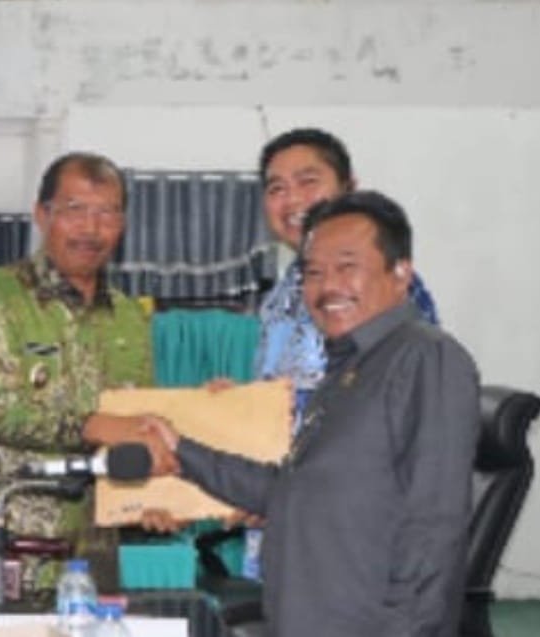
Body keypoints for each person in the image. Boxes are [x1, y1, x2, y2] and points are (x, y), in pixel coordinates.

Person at [146, 191, 480, 636]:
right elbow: (287, 490)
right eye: (314, 272)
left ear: (401, 273)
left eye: (347, 267)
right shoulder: (345, 369)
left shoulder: (424, 358)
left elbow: (434, 528)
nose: (328, 287)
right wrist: (181, 450)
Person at [0, 151, 175, 590]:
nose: (91, 228)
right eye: (75, 210)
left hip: (93, 555)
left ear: (123, 224)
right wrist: (95, 425)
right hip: (2, 543)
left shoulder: (129, 316)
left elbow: (137, 427)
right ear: (42, 214)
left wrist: (152, 498)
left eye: (106, 213)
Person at [255, 127, 438, 430]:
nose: (293, 199)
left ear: (348, 188)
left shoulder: (382, 282)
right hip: (285, 454)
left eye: (308, 181)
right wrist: (241, 400)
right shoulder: (279, 297)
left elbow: (400, 399)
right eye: (277, 189)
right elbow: (277, 392)